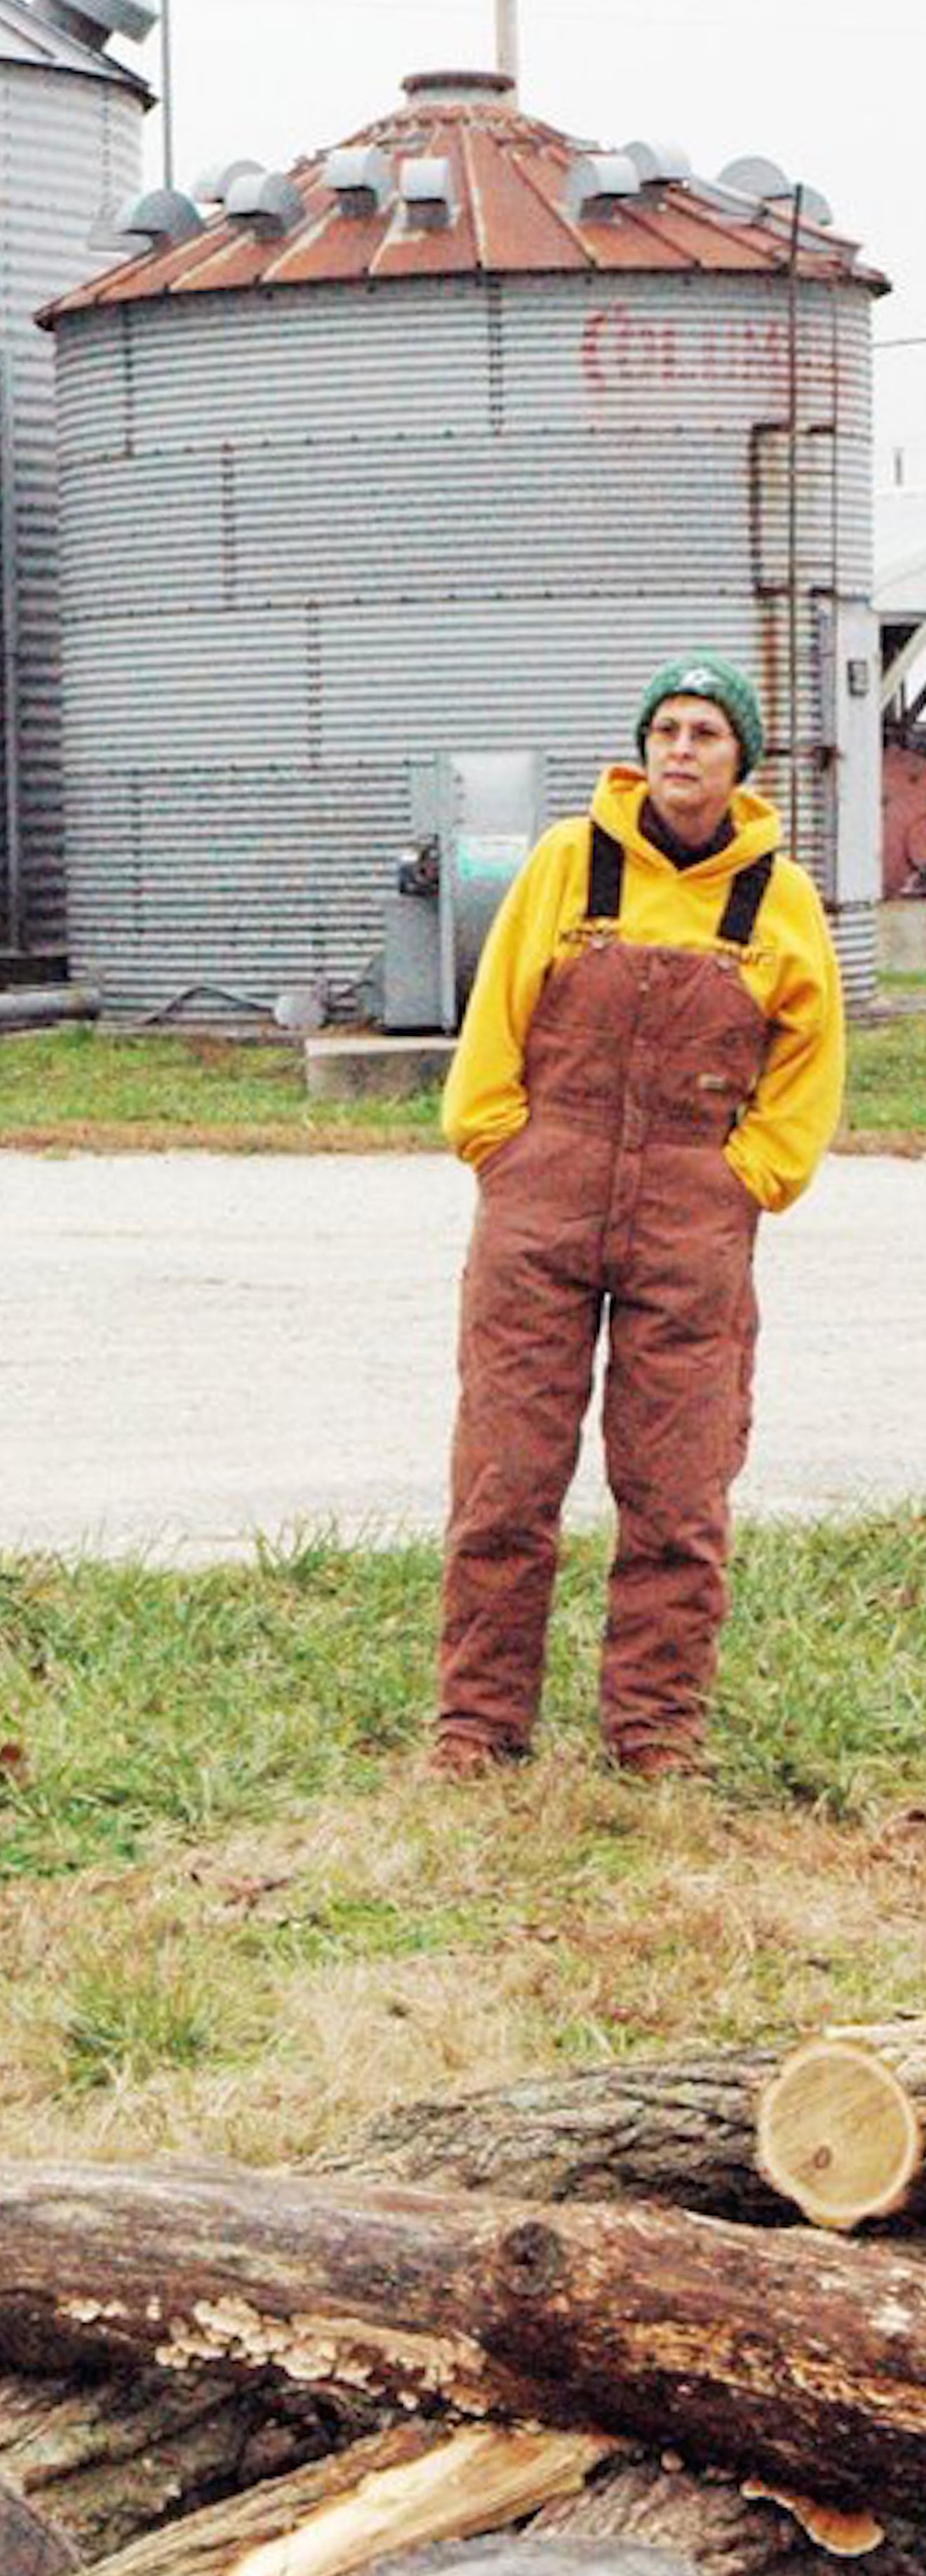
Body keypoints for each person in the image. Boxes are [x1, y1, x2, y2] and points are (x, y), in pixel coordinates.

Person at [431, 652, 845, 1780]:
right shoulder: (570, 863)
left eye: (706, 731)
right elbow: (495, 1015)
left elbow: (809, 1070)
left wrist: (748, 1180)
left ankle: (655, 1734)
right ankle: (477, 1726)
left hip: (691, 1221)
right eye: (665, 728)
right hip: (542, 1207)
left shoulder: (782, 900)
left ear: (740, 759)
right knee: (504, 1477)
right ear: (640, 748)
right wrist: (499, 1148)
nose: (680, 749)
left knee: (677, 1492)